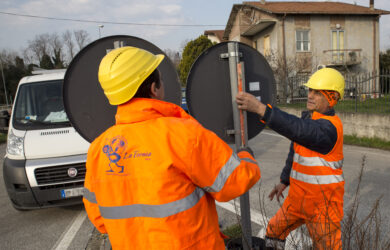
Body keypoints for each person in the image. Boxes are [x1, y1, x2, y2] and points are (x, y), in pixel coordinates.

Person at [82, 46, 261, 249]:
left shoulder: (98, 149)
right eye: (161, 79)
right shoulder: (182, 135)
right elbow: (235, 181)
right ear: (153, 88)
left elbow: (99, 219)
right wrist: (246, 155)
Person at [236, 68, 345, 250]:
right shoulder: (310, 120)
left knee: (327, 247)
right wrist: (284, 181)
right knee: (273, 231)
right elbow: (295, 151)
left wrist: (261, 109)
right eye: (310, 90)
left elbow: (298, 129)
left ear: (332, 97)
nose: (310, 95)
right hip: (297, 200)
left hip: (322, 206)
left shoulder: (330, 128)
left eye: (317, 92)